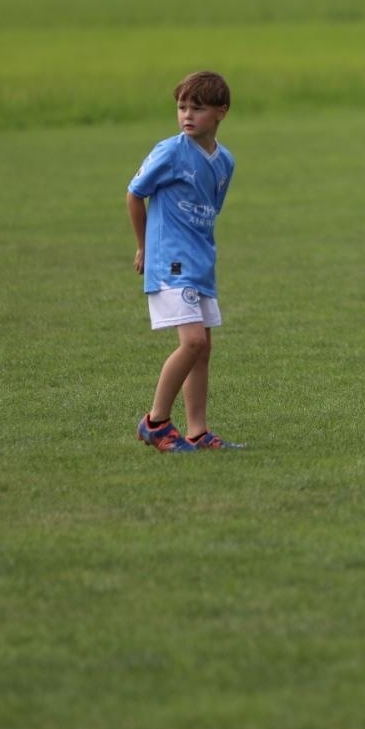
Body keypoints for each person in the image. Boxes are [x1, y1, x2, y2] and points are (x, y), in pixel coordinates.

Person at [126, 71, 242, 452]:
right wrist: (144, 247)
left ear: (221, 112)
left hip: (200, 261)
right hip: (170, 262)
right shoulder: (170, 151)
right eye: (181, 107)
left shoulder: (224, 161)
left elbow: (209, 211)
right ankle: (156, 422)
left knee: (203, 347)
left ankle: (197, 431)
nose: (187, 115)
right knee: (191, 342)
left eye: (198, 108)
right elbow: (134, 193)